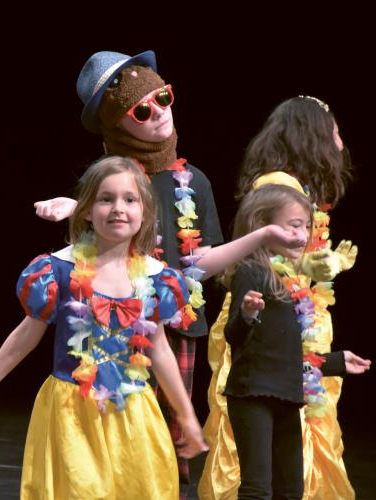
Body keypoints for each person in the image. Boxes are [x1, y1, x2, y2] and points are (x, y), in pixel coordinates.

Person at [34, 50, 307, 498]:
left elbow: (201, 263)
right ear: (116, 124)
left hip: (177, 325)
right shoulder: (110, 185)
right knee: (116, 443)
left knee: (173, 444)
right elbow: (85, 259)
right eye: (142, 110)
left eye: (163, 97)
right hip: (115, 331)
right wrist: (75, 209)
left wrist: (262, 237)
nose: (159, 113)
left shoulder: (192, 181)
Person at [0, 156, 208, 499]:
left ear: (144, 213)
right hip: (73, 412)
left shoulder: (155, 278)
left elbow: (158, 349)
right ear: (85, 210)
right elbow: (25, 336)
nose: (118, 208)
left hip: (132, 411)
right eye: (106, 199)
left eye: (130, 200)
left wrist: (187, 416)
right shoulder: (59, 270)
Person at [200, 96, 359, 500]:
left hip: (293, 320)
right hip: (265, 315)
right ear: (313, 137)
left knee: (294, 443)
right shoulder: (277, 187)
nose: (340, 141)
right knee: (261, 465)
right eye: (334, 131)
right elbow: (264, 257)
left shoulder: (298, 189)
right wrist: (318, 266)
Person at [218, 182, 370, 498]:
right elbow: (234, 337)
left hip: (286, 396)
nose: (302, 235)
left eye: (306, 227)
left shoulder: (289, 281)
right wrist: (246, 315)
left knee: (291, 489)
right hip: (253, 395)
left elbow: (287, 354)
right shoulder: (251, 271)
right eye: (294, 225)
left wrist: (337, 362)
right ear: (261, 224)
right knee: (258, 488)